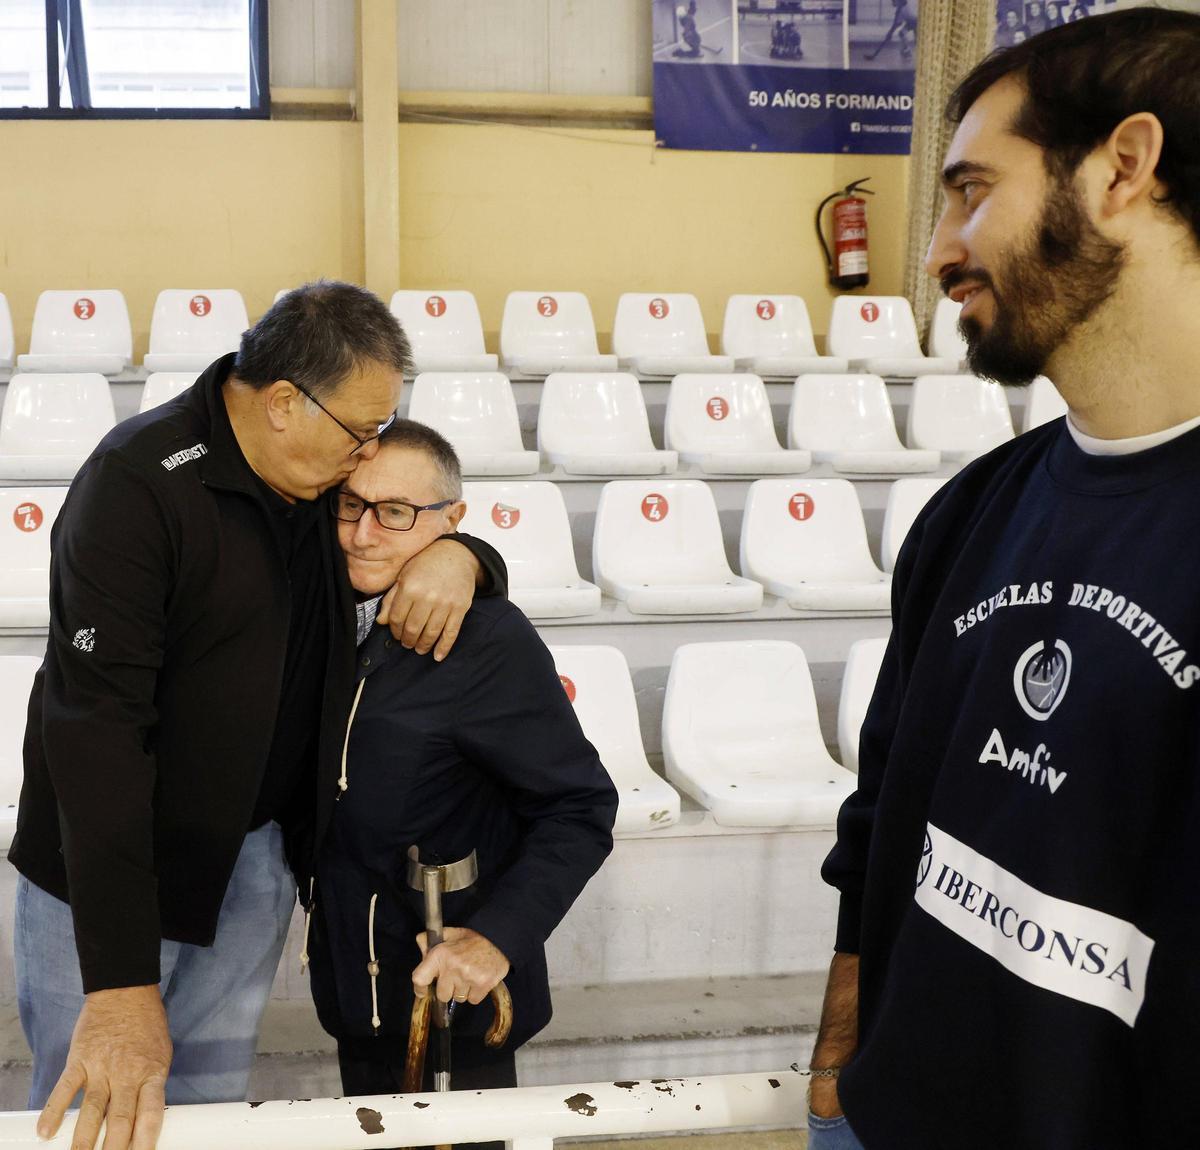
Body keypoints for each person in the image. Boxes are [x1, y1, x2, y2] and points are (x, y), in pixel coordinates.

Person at [807, 10, 1200, 1149]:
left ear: (1123, 168)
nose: (934, 252)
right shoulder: (969, 514)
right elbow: (882, 818)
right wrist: (845, 1054)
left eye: (972, 191)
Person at [12, 282, 507, 1150]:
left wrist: (465, 556)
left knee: (203, 1108)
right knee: (99, 1110)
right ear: (283, 402)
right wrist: (121, 982)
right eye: (361, 430)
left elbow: (406, 529)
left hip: (252, 861)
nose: (370, 453)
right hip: (112, 873)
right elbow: (93, 736)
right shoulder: (134, 486)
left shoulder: (316, 471)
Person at [305, 420, 617, 1119]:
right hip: (356, 990)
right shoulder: (321, 611)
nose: (362, 533)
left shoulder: (490, 642)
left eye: (395, 513)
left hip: (451, 1006)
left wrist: (499, 937)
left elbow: (581, 809)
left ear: (451, 522)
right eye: (349, 505)